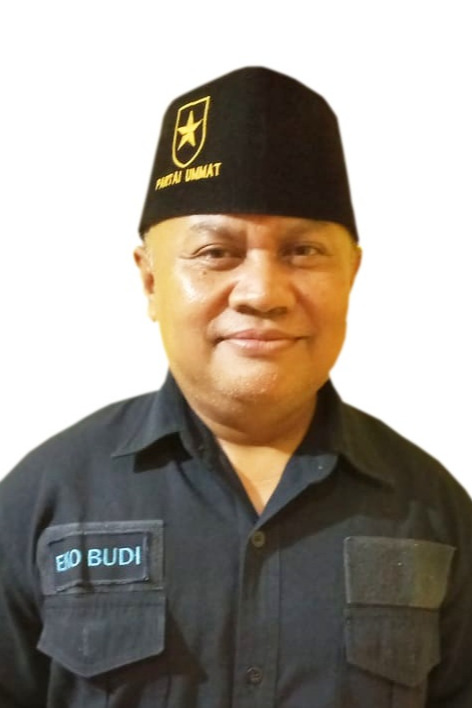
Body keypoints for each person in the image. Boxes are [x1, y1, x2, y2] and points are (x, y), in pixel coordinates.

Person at [0, 66, 471, 708]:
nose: (262, 293)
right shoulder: (45, 500)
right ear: (150, 280)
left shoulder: (433, 509)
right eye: (216, 252)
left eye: (303, 251)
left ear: (352, 274)